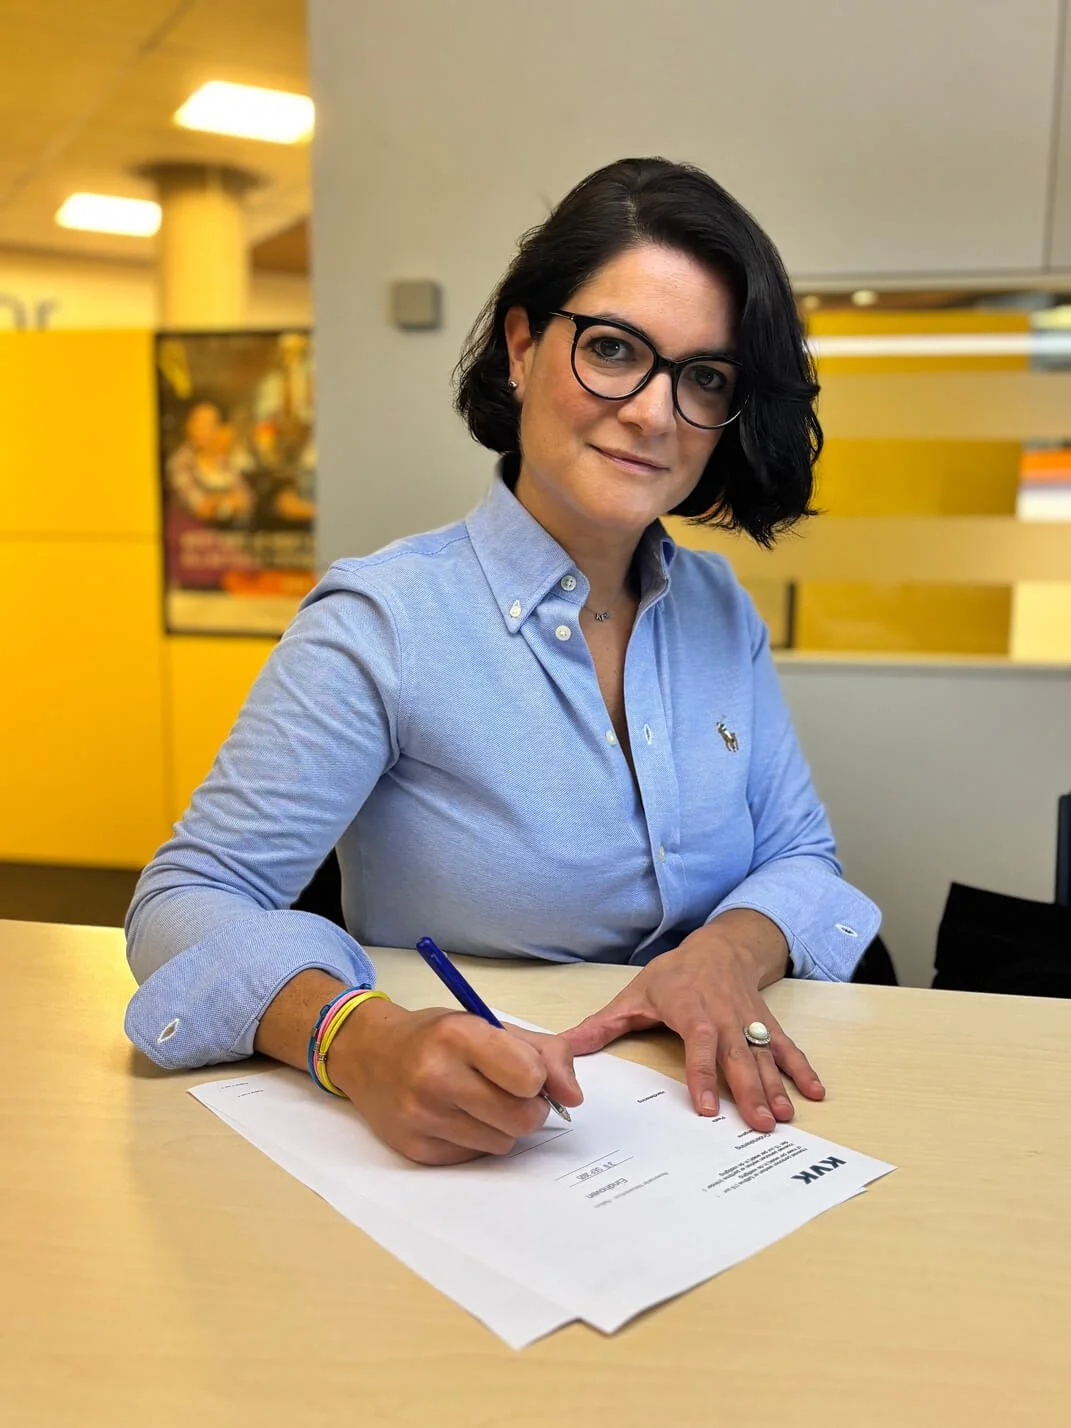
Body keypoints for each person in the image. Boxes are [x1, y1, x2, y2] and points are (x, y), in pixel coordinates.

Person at [125, 156, 880, 1166]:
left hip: (722, 1135)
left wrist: (721, 954)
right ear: (523, 346)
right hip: (489, 1142)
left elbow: (801, 858)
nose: (656, 413)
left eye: (703, 377)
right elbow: (184, 900)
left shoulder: (715, 608)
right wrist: (356, 1037)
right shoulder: (384, 621)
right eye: (614, 349)